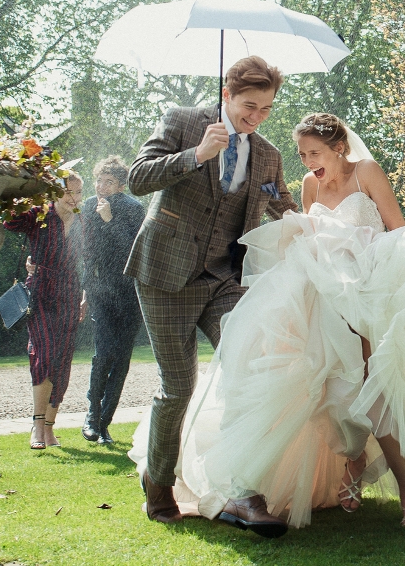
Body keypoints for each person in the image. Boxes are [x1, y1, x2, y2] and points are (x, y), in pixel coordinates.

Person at [129, 113, 405, 532]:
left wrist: (365, 258)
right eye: (301, 154)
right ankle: (350, 465)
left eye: (314, 153)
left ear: (338, 147)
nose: (307, 162)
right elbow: (310, 241)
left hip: (369, 299)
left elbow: (398, 232)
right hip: (324, 304)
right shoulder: (309, 186)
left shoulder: (368, 173)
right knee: (329, 393)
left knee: (377, 395)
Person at [125, 55, 298, 535]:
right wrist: (196, 155)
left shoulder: (267, 154)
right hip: (163, 273)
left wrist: (318, 223)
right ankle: (158, 490)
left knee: (250, 374)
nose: (257, 116)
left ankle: (243, 492)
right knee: (177, 388)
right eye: (249, 105)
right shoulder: (183, 122)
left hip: (224, 279)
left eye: (266, 108)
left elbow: (283, 207)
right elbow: (137, 179)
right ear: (226, 94)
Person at [4, 171, 87, 450]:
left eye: (78, 192)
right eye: (68, 192)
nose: (74, 198)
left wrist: (85, 296)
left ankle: (50, 428)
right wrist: (28, 189)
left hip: (71, 293)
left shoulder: (83, 220)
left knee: (62, 361)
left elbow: (88, 263)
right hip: (40, 289)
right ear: (54, 193)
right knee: (44, 354)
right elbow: (9, 221)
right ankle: (37, 427)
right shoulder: (39, 214)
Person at [80, 155, 145, 446]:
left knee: (121, 359)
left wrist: (110, 220)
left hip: (130, 293)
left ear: (120, 186)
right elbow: (86, 253)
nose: (102, 186)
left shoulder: (134, 208)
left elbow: (135, 250)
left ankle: (104, 423)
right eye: (99, 180)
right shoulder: (88, 207)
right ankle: (91, 417)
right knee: (103, 352)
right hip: (101, 291)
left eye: (108, 182)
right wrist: (84, 290)